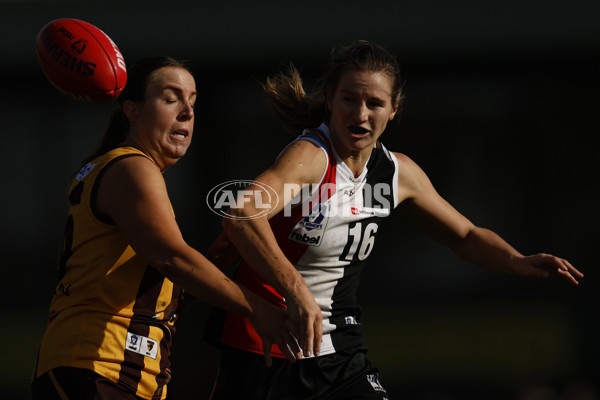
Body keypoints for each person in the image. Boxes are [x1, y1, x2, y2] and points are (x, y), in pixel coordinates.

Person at [203, 41, 584, 399]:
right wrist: (295, 289)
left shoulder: (396, 172)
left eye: (375, 102)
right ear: (330, 100)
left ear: (394, 108)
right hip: (267, 342)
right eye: (349, 99)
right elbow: (240, 216)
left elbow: (464, 235)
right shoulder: (311, 157)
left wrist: (517, 260)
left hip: (340, 346)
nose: (361, 113)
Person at [30, 56, 301, 400]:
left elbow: (155, 281)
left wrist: (213, 262)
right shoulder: (132, 166)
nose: (187, 111)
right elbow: (173, 258)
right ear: (132, 110)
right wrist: (258, 309)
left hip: (107, 373)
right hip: (97, 364)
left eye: (193, 101)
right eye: (171, 99)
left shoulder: (121, 168)